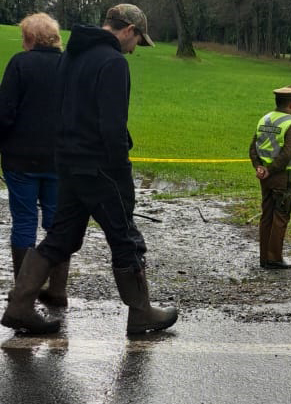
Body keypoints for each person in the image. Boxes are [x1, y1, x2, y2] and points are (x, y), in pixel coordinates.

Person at [1, 4, 178, 335]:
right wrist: (121, 172)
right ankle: (141, 313)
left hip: (66, 161)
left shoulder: (72, 55)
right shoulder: (112, 62)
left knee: (61, 237)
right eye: (138, 40)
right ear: (128, 30)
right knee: (125, 236)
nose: (135, 48)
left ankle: (20, 305)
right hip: (100, 166)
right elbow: (111, 126)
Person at [0, 13, 69, 307]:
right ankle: (57, 290)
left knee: (24, 222)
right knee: (58, 224)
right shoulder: (70, 66)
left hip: (20, 159)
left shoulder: (19, 63)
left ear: (29, 39)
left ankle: (23, 294)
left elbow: (4, 113)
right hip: (60, 159)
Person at [249, 85, 291, 270]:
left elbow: (253, 147)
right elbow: (287, 154)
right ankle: (274, 258)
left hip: (265, 177)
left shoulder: (264, 119)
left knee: (267, 216)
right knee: (281, 216)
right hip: (281, 176)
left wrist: (260, 168)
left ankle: (264, 257)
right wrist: (271, 170)